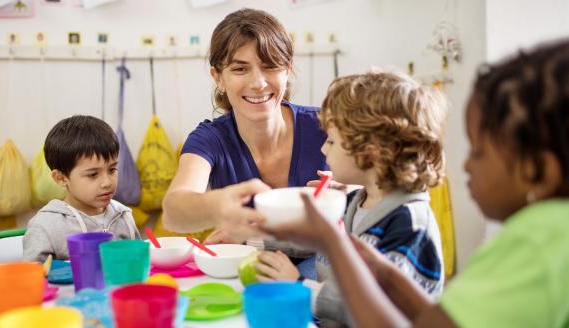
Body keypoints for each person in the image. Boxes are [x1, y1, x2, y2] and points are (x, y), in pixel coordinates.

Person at [263, 38, 569, 327]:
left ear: (539, 169)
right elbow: (431, 317)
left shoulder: (539, 243)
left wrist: (305, 281)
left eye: (479, 152)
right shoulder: (356, 201)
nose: (464, 164)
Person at [256, 70, 447, 326]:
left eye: (332, 141)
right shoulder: (356, 201)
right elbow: (313, 238)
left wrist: (299, 287)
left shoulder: (409, 225)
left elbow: (377, 308)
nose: (324, 148)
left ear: (372, 153)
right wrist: (252, 239)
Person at [162, 8, 328, 242]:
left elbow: (384, 190)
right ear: (218, 77)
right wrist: (217, 206)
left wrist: (352, 196)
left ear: (287, 69)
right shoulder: (209, 139)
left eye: (270, 66)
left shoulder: (327, 126)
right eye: (240, 69)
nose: (258, 83)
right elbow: (173, 213)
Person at [23, 115, 140, 262]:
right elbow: (36, 278)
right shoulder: (46, 226)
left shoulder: (124, 215)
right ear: (61, 178)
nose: (107, 183)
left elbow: (137, 263)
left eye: (112, 170)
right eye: (92, 174)